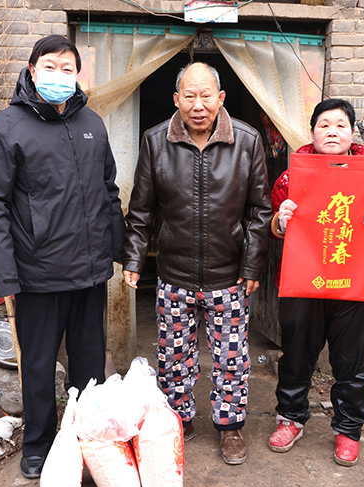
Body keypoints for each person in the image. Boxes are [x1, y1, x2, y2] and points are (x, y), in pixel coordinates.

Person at [0, 35, 125, 478]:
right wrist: (4, 275)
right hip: (37, 273)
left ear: (78, 74)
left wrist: (118, 250)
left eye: (68, 68)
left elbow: (108, 191)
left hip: (90, 272)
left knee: (89, 365)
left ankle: (87, 438)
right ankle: (38, 444)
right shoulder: (8, 127)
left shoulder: (92, 123)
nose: (59, 75)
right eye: (50, 67)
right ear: (32, 71)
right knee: (38, 366)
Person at [122, 62, 272, 465]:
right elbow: (142, 209)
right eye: (189, 96)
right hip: (174, 274)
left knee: (231, 358)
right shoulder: (156, 141)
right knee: (173, 357)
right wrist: (134, 258)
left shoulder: (247, 140)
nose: (198, 105)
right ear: (177, 100)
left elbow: (260, 211)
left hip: (228, 275)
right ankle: (178, 419)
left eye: (206, 95)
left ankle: (230, 426)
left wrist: (252, 265)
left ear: (220, 98)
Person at [267, 98, 364, 466]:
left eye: (340, 125)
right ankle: (290, 418)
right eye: (324, 125)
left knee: (353, 363)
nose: (332, 132)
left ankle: (348, 429)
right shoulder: (292, 175)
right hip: (305, 282)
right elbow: (272, 219)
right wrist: (280, 220)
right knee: (295, 356)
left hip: (357, 282)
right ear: (312, 132)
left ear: (352, 133)